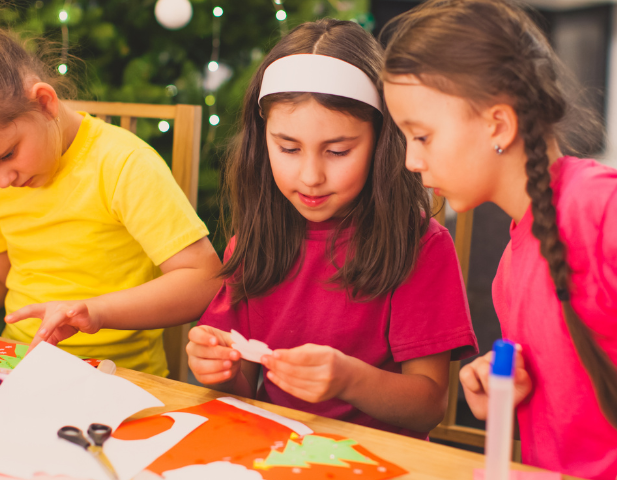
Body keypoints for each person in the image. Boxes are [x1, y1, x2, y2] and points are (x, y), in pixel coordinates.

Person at [381, 1, 617, 478]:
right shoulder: (511, 269)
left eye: (421, 137)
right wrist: (507, 388)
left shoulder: (599, 206)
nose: (411, 161)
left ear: (498, 125)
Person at [0, 0, 222, 376]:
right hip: (18, 368)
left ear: (44, 102)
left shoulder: (123, 165)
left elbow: (203, 280)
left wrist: (95, 311)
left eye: (7, 155)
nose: (2, 181)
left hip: (120, 379)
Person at [186, 19, 477, 438]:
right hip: (275, 452)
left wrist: (349, 380)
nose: (311, 177)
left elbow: (428, 406)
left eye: (338, 151)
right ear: (262, 141)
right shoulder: (252, 243)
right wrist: (220, 371)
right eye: (288, 148)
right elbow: (242, 390)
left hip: (380, 458)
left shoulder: (420, 245)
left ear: (382, 142)